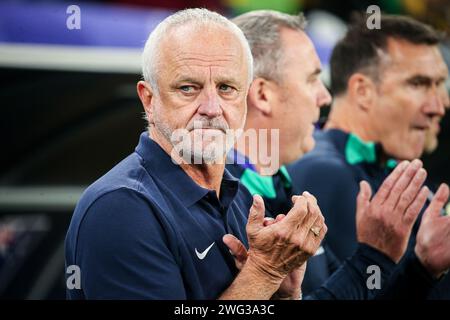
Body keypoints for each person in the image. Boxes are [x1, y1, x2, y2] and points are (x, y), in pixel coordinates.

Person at [65, 8, 327, 300]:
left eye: (226, 88)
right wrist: (264, 272)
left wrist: (283, 295)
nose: (212, 108)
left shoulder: (239, 197)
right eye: (188, 88)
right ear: (148, 100)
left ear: (246, 97)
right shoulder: (120, 207)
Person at [225, 10, 450, 299]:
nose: (439, 105)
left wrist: (423, 268)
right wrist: (374, 257)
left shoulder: (279, 185)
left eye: (439, 85)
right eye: (418, 83)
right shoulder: (320, 172)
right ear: (263, 95)